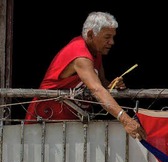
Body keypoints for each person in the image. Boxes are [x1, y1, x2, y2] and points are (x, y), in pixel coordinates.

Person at [25, 11, 146, 141]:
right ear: (90, 34)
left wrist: (113, 85)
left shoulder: (96, 51)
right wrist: (125, 119)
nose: (112, 42)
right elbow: (96, 89)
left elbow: (101, 83)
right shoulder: (80, 54)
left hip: (69, 126)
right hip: (43, 124)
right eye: (107, 37)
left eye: (113, 37)